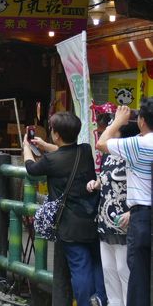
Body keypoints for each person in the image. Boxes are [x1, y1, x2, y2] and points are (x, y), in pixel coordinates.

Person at [24, 112, 106, 306]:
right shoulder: (85, 151)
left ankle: (86, 303)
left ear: (57, 134)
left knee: (79, 267)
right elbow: (66, 153)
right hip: (92, 217)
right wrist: (46, 145)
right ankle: (101, 299)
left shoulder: (51, 161)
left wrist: (27, 148)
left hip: (69, 224)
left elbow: (31, 168)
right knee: (96, 263)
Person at [97, 99, 153, 306]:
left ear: (142, 121)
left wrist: (117, 122)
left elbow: (101, 143)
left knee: (137, 278)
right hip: (138, 215)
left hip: (141, 216)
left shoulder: (139, 144)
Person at [86, 121, 139, 306]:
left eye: (112, 129)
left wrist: (133, 213)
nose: (107, 133)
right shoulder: (109, 156)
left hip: (124, 222)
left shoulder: (134, 156)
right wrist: (96, 183)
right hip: (105, 220)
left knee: (124, 271)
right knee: (108, 270)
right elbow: (105, 177)